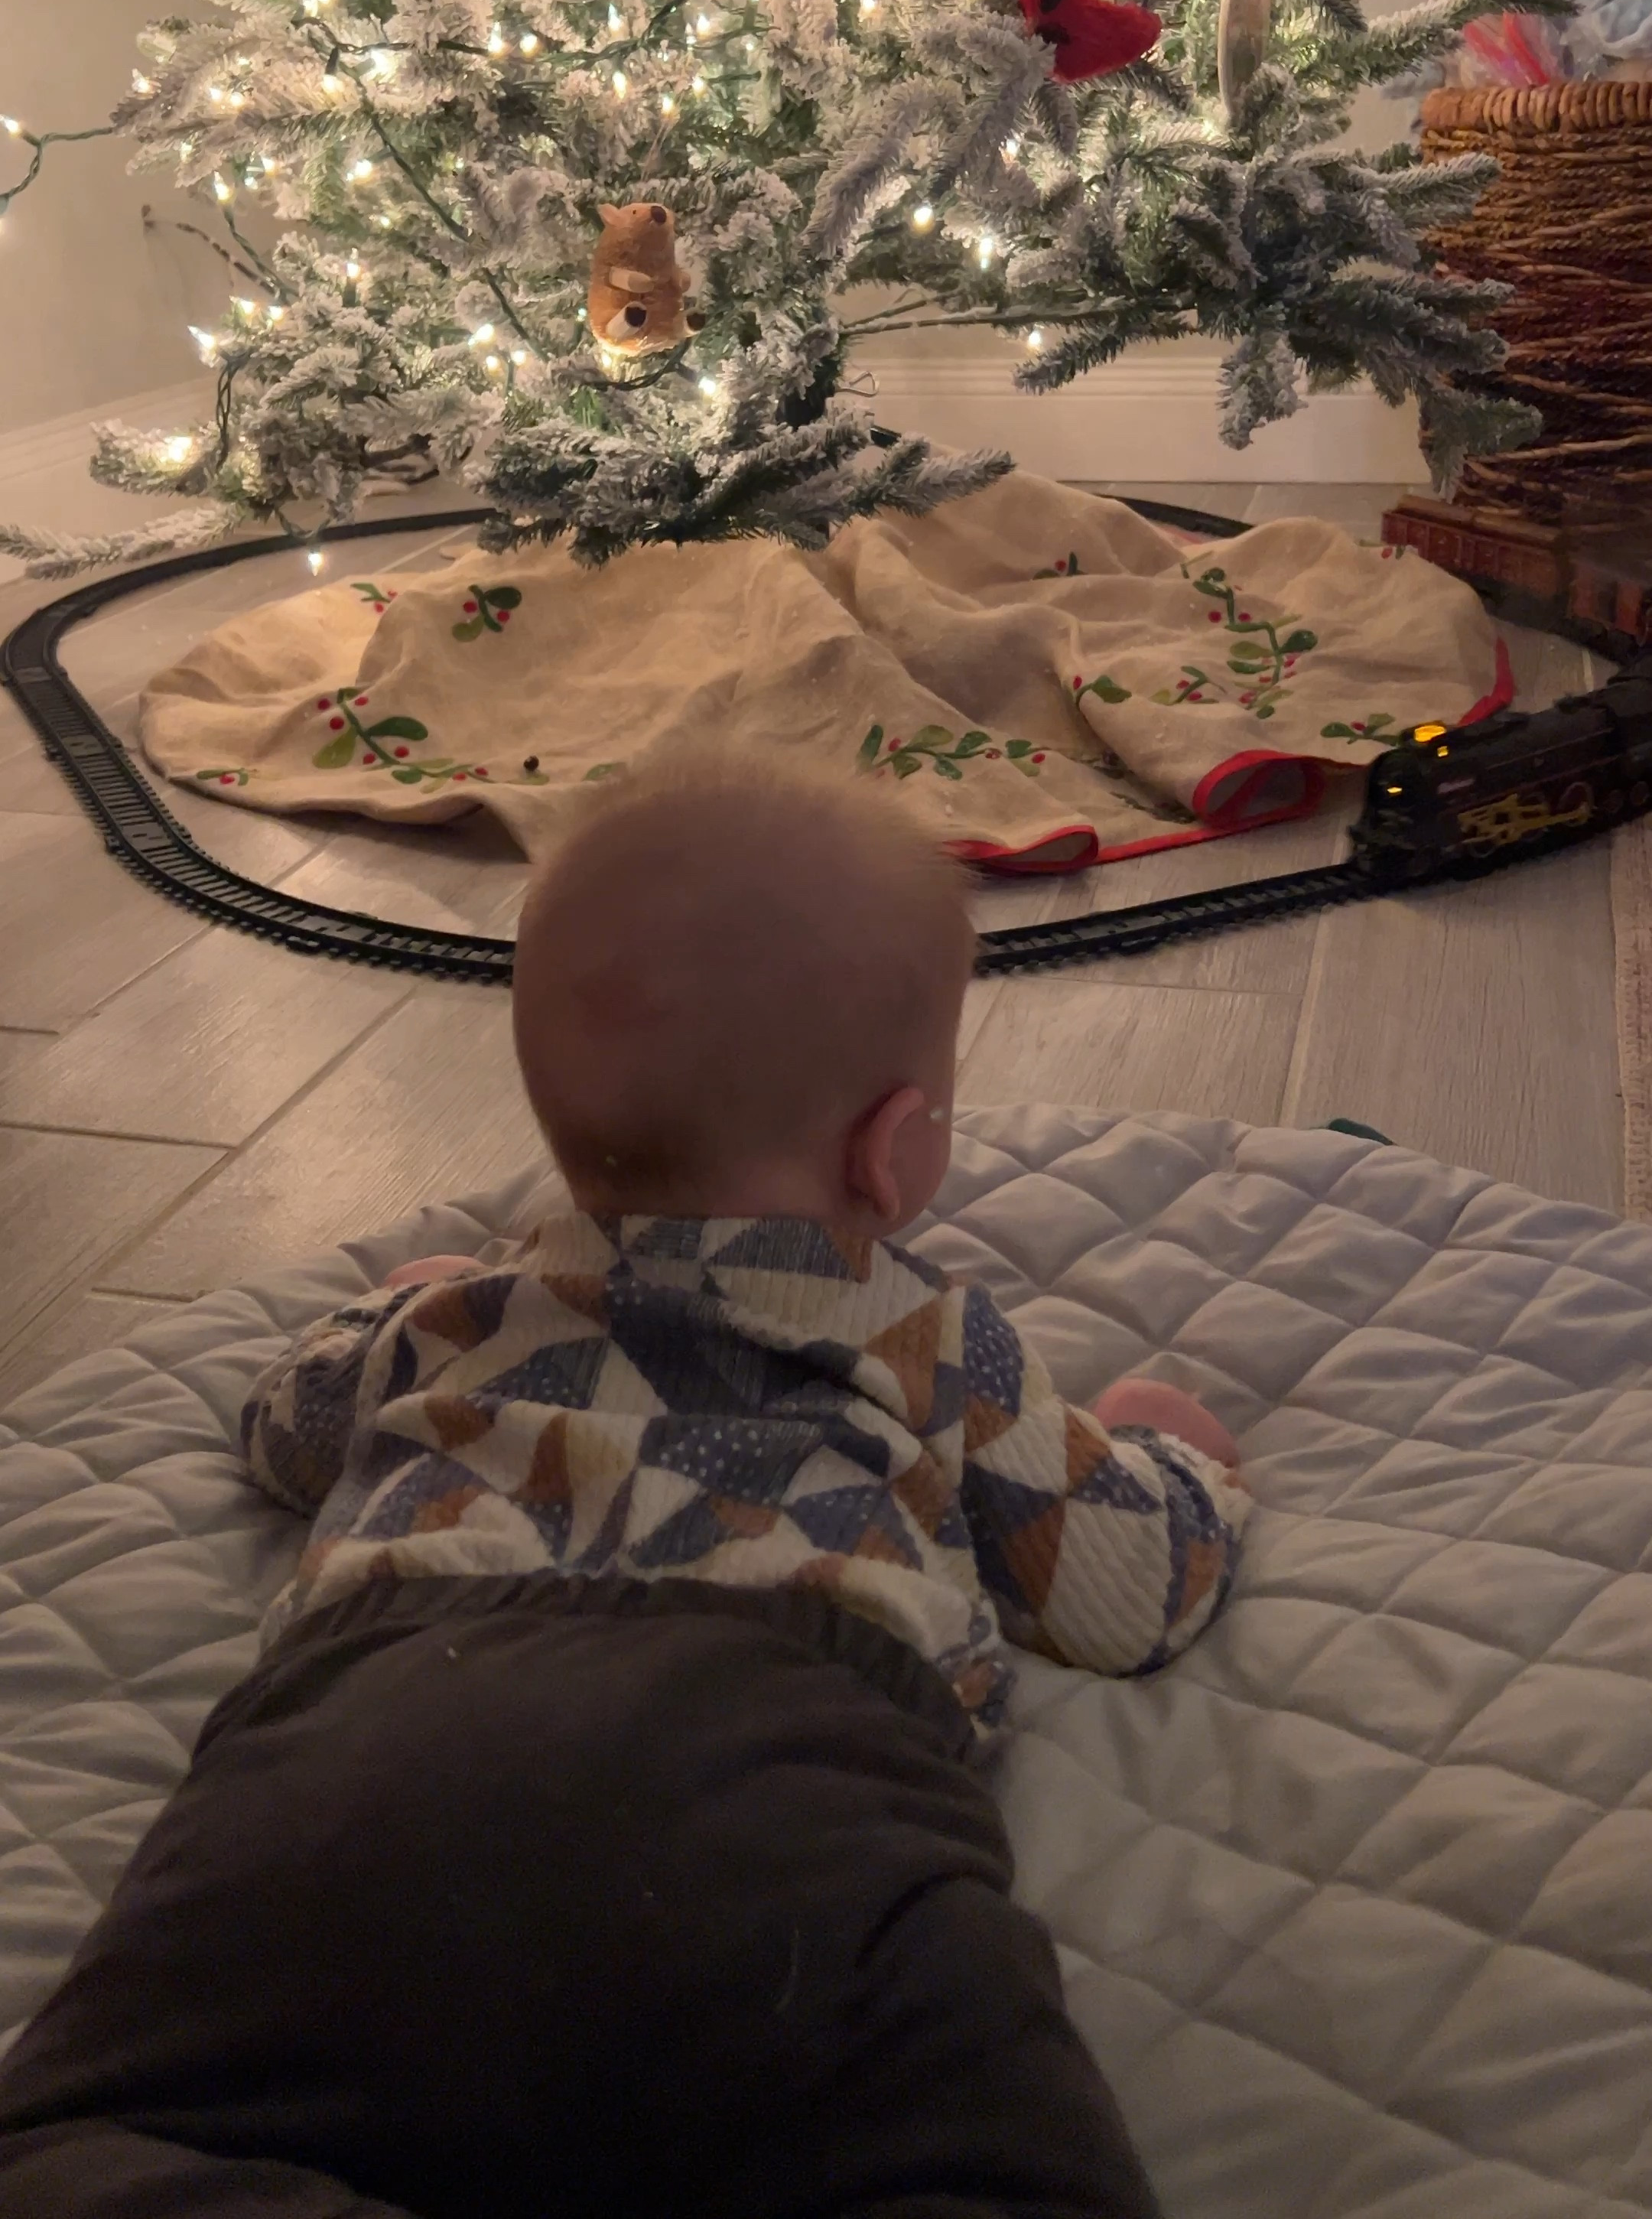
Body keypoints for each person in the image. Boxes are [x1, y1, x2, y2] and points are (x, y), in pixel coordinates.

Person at [0, 755, 1248, 2219]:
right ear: (894, 1148)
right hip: (776, 1774)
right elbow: (1123, 1595)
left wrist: (385, 1308)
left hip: (358, 1756)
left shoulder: (457, 1316)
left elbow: (281, 1432)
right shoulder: (926, 1333)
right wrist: (1179, 1455)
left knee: (103, 2150)